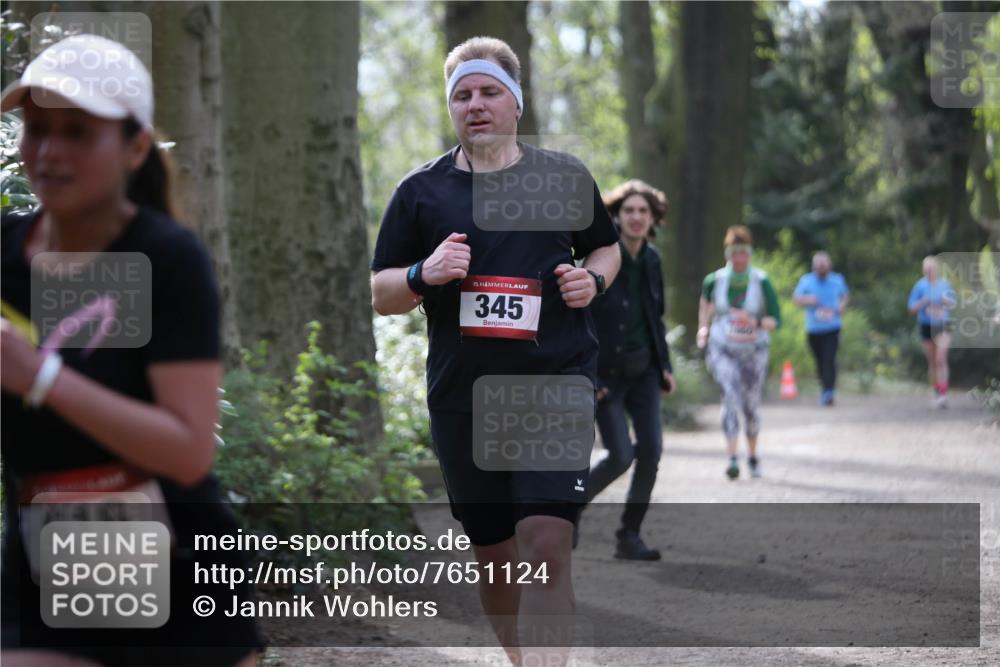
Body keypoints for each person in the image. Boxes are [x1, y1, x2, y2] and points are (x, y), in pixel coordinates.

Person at [0, 35, 261, 666]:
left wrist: (39, 378)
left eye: (78, 132)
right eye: (36, 128)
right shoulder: (5, 254)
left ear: (135, 146)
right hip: (45, 569)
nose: (50, 152)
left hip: (181, 576)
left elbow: (189, 447)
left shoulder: (166, 259)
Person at [369, 37, 620, 664]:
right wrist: (425, 273)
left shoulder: (563, 176)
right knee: (497, 556)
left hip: (555, 382)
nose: (474, 104)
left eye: (488, 92)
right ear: (450, 107)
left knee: (545, 543)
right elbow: (380, 293)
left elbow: (605, 248)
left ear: (515, 102)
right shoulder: (422, 191)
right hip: (465, 398)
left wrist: (593, 280)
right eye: (462, 95)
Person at [583, 179, 674, 561]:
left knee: (651, 450)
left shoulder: (652, 260)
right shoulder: (602, 259)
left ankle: (629, 535)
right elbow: (583, 319)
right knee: (620, 455)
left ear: (653, 218)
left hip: (645, 373)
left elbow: (656, 317)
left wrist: (664, 365)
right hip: (607, 376)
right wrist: (592, 378)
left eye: (643, 211)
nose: (636, 217)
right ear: (617, 217)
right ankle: (565, 511)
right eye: (629, 211)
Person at [696, 226, 781, 480]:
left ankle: (753, 456)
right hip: (723, 347)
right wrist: (703, 329)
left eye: (743, 253)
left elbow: (775, 321)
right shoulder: (715, 280)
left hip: (754, 350)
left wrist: (753, 321)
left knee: (750, 405)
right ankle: (732, 457)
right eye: (734, 253)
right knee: (730, 396)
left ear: (750, 254)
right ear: (727, 254)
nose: (739, 258)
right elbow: (705, 305)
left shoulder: (762, 280)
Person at [793, 252, 849, 406]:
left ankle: (829, 392)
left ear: (829, 266)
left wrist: (841, 307)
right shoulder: (807, 280)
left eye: (823, 266)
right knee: (819, 361)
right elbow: (796, 298)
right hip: (813, 328)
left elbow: (845, 296)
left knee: (829, 359)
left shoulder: (837, 280)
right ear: (814, 267)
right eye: (818, 267)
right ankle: (825, 387)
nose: (821, 269)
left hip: (832, 327)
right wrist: (808, 300)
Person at [908, 255, 957, 408]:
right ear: (924, 270)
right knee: (932, 361)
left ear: (937, 269)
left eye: (932, 269)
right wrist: (923, 302)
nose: (930, 272)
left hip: (943, 325)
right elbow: (911, 308)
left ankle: (943, 394)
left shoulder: (945, 285)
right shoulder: (919, 286)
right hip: (926, 325)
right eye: (927, 269)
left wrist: (943, 301)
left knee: (940, 359)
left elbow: (953, 303)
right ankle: (937, 392)